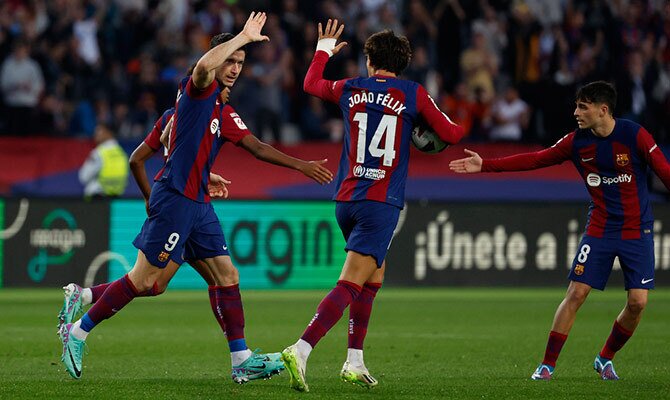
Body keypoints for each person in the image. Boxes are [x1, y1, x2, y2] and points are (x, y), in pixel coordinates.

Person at [58, 12, 333, 381]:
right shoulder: (197, 88)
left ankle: (241, 359)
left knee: (226, 275)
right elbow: (204, 67)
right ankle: (77, 333)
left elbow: (256, 147)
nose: (235, 68)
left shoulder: (223, 109)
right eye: (231, 60)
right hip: (176, 199)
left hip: (198, 203)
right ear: (219, 57)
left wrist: (298, 165)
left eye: (240, 62)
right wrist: (241, 37)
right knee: (145, 281)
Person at [280, 20, 464, 392]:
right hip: (381, 202)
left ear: (368, 60)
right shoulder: (412, 93)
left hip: (346, 198)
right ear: (402, 63)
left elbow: (310, 85)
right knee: (350, 283)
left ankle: (354, 360)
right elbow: (452, 134)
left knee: (372, 279)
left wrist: (323, 51)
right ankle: (300, 349)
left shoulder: (352, 88)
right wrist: (420, 129)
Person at [448, 81, 670, 381]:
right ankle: (547, 365)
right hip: (600, 228)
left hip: (636, 230)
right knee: (577, 292)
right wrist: (485, 165)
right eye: (576, 105)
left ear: (603, 110)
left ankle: (604, 358)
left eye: (583, 106)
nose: (575, 112)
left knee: (638, 303)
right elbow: (536, 159)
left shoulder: (635, 135)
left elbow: (665, 172)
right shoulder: (577, 142)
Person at [78, 122, 129, 198]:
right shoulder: (122, 154)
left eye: (99, 130)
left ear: (108, 132)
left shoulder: (99, 153)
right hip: (116, 199)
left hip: (96, 199)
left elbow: (84, 177)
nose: (95, 134)